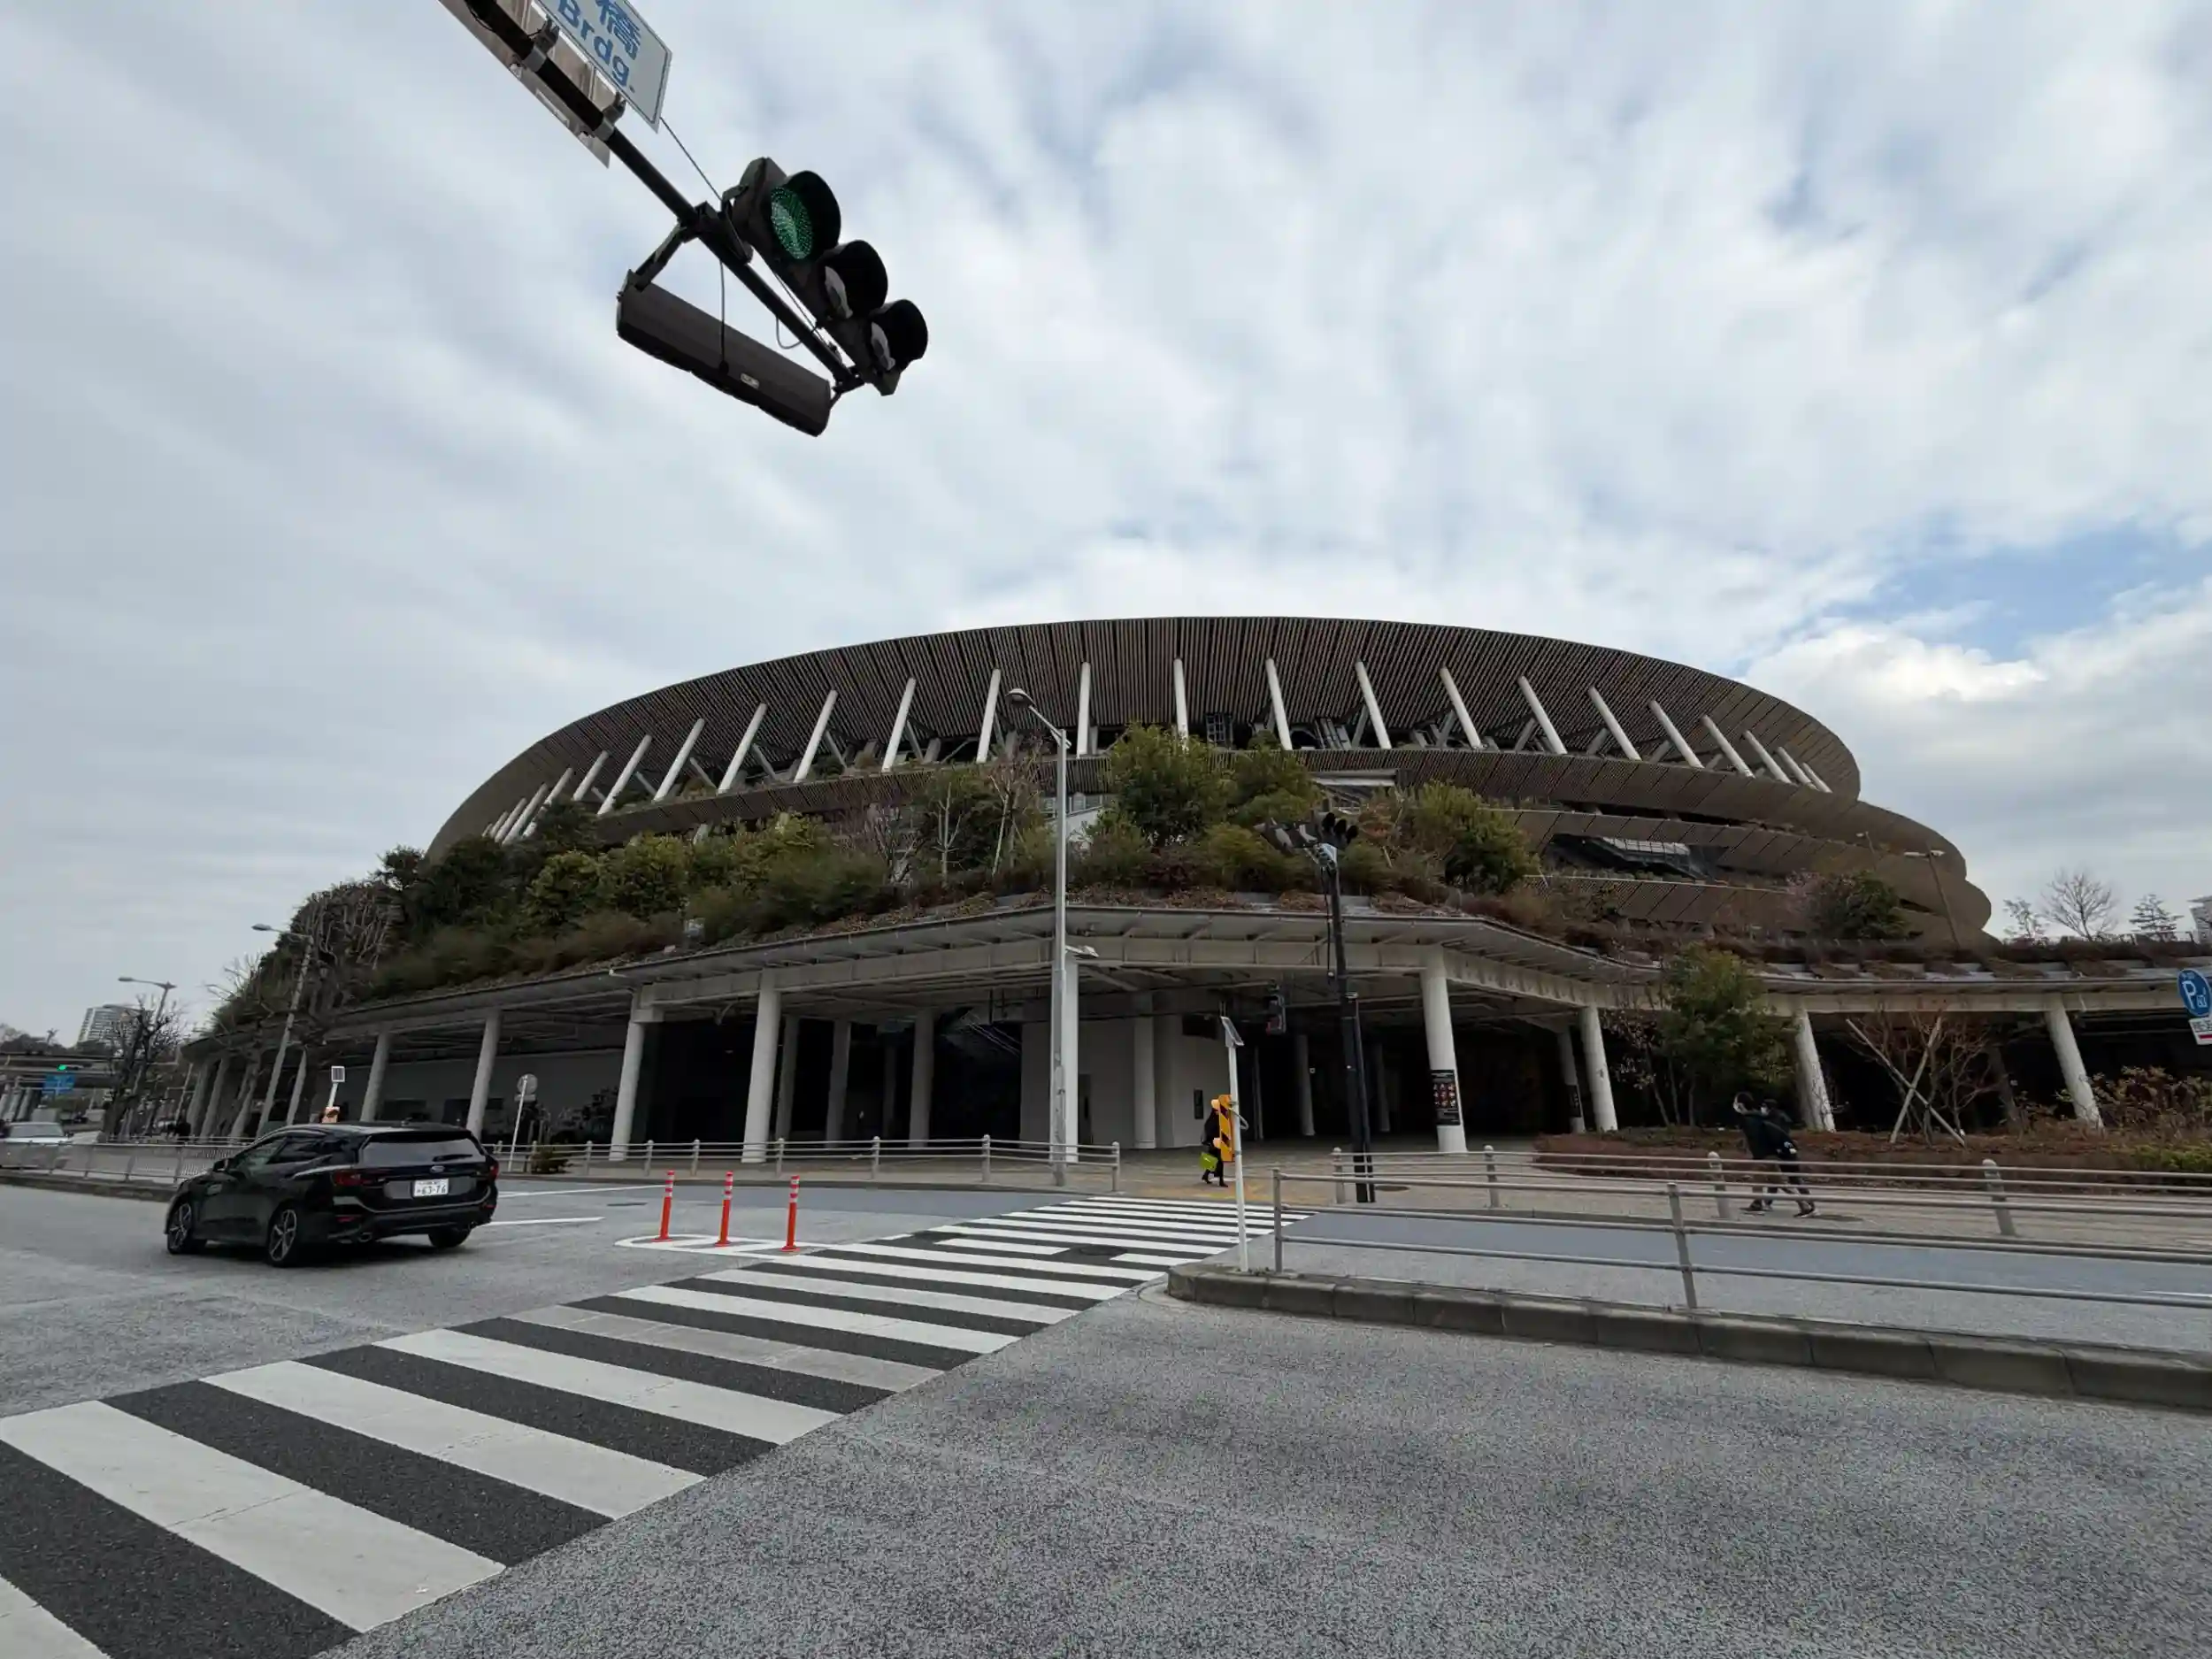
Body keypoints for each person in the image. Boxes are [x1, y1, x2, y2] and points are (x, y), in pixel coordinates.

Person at [1733, 1094, 1814, 1216]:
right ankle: (1804, 1205)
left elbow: (1756, 1139)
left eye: (1736, 1103)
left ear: (1740, 1105)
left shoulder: (1749, 1120)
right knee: (1780, 1183)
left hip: (1763, 1157)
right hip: (1770, 1156)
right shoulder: (1758, 1118)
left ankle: (1758, 1205)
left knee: (1758, 1181)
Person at [1200, 1094, 1237, 1187]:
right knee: (1219, 1161)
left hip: (1213, 1142)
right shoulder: (1216, 1119)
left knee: (1213, 1159)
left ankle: (1206, 1175)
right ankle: (1220, 1181)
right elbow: (1214, 1130)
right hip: (1215, 1142)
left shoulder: (1213, 1118)